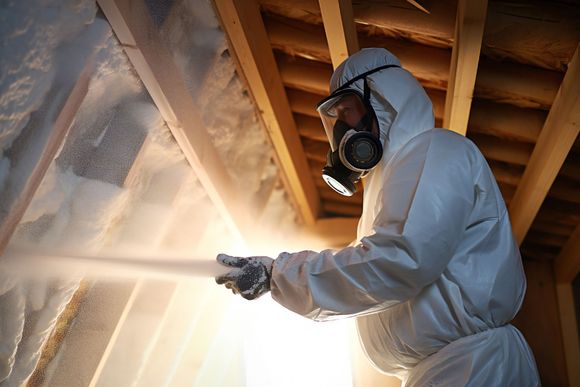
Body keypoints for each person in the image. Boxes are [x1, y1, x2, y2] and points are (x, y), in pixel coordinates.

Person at [215, 48, 540, 386]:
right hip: (440, 370)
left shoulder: (434, 151)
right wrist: (279, 276)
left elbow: (400, 259)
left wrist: (277, 274)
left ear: (384, 103)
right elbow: (378, 269)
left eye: (346, 111)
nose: (341, 128)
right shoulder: (391, 189)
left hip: (474, 367)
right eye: (335, 117)